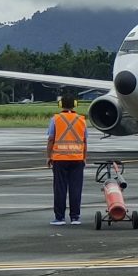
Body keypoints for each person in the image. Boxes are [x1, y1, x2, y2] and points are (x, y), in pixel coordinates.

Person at [47, 95, 88, 225]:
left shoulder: (56, 119)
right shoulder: (81, 120)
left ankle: (59, 217)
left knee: (60, 188)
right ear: (75, 104)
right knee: (76, 188)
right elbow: (85, 141)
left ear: (60, 104)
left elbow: (51, 139)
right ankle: (75, 217)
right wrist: (84, 157)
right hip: (77, 158)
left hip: (60, 158)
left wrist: (49, 156)